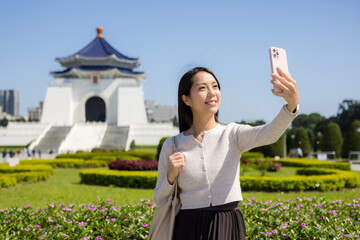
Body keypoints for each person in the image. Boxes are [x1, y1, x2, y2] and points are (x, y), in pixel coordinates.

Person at [153, 66, 299, 239]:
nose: (212, 93)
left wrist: (291, 106)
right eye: (202, 88)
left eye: (215, 86)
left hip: (226, 223)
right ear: (186, 99)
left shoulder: (232, 133)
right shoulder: (173, 145)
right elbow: (158, 197)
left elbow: (269, 133)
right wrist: (170, 178)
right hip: (187, 226)